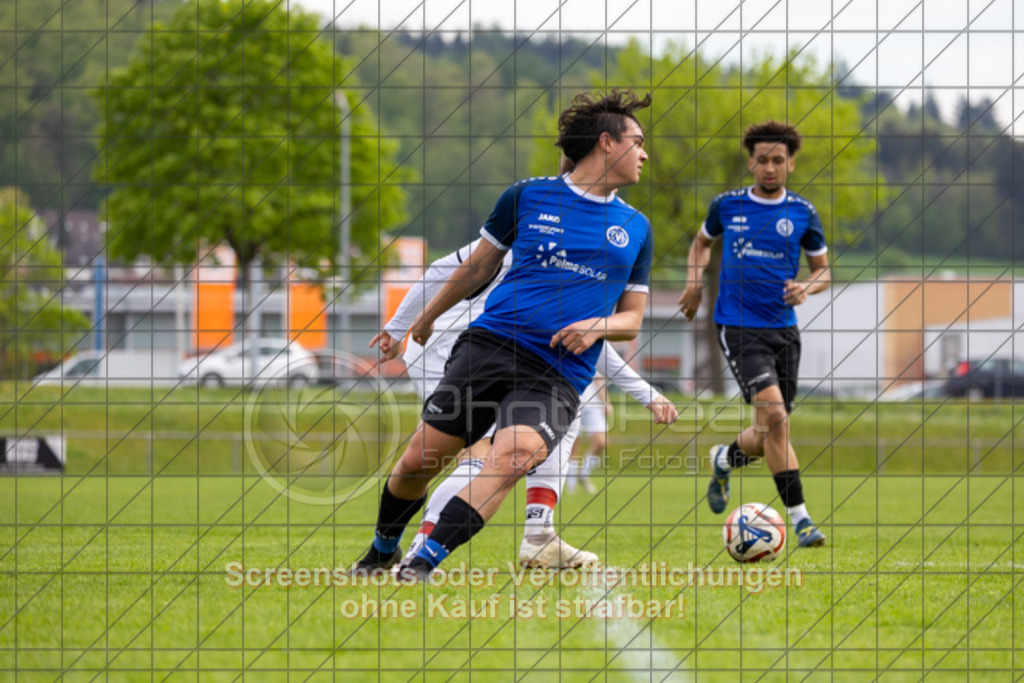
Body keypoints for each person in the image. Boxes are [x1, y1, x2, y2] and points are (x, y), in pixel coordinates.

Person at [350, 89, 654, 580]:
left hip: (557, 371)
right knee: (416, 463)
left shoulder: (636, 228)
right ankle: (383, 548)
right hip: (490, 347)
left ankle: (423, 562)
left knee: (514, 457)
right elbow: (476, 268)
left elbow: (632, 319)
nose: (644, 153)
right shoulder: (526, 195)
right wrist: (425, 318)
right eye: (637, 142)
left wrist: (597, 325)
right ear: (606, 143)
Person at [372, 240, 677, 569]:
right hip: (456, 346)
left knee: (559, 418)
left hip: (496, 351)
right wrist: (399, 325)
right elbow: (443, 269)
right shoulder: (533, 223)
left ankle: (538, 532)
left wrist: (647, 393)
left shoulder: (579, 250)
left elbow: (579, 337)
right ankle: (417, 550)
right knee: (474, 452)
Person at [678, 120, 831, 548]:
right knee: (777, 420)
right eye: (762, 160)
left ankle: (724, 458)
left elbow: (824, 271)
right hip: (738, 325)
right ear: (751, 162)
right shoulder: (727, 205)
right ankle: (801, 521)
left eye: (778, 160)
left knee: (769, 433)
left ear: (791, 164)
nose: (769, 167)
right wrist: (694, 281)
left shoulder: (802, 212)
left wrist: (807, 286)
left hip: (784, 331)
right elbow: (701, 244)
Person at [566, 377, 611, 495]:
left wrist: (606, 401)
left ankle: (583, 475)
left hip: (593, 405)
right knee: (573, 446)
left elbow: (598, 379)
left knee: (602, 442)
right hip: (573, 401)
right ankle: (572, 486)